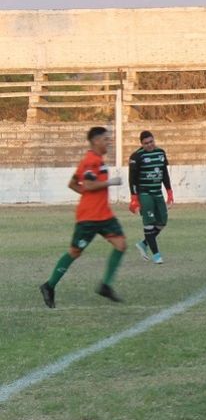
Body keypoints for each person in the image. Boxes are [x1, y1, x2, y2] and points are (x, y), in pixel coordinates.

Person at [39, 126, 126, 307]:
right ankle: (49, 285)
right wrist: (109, 182)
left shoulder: (95, 160)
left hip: (104, 215)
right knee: (75, 252)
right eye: (105, 139)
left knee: (120, 244)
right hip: (89, 218)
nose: (108, 142)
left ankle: (105, 286)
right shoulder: (91, 160)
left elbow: (73, 183)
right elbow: (88, 184)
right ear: (96, 141)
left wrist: (88, 194)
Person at [128, 131, 173, 264]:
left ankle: (143, 244)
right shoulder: (136, 156)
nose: (149, 145)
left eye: (151, 142)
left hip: (157, 192)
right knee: (149, 223)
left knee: (162, 222)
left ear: (154, 140)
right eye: (146, 143)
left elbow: (164, 174)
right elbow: (132, 179)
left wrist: (169, 192)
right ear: (141, 144)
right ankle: (156, 255)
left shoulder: (160, 153)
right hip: (144, 193)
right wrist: (134, 198)